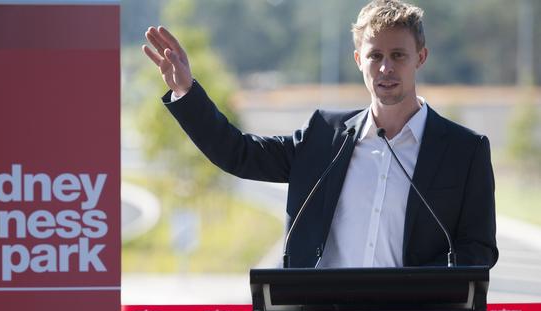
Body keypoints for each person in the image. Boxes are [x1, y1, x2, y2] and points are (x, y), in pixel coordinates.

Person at [142, 0, 498, 268]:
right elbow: (239, 153)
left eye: (398, 55)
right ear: (359, 60)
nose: (386, 67)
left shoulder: (465, 151)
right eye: (375, 56)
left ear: (420, 57)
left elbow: (477, 249)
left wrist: (414, 290)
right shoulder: (323, 137)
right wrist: (187, 94)